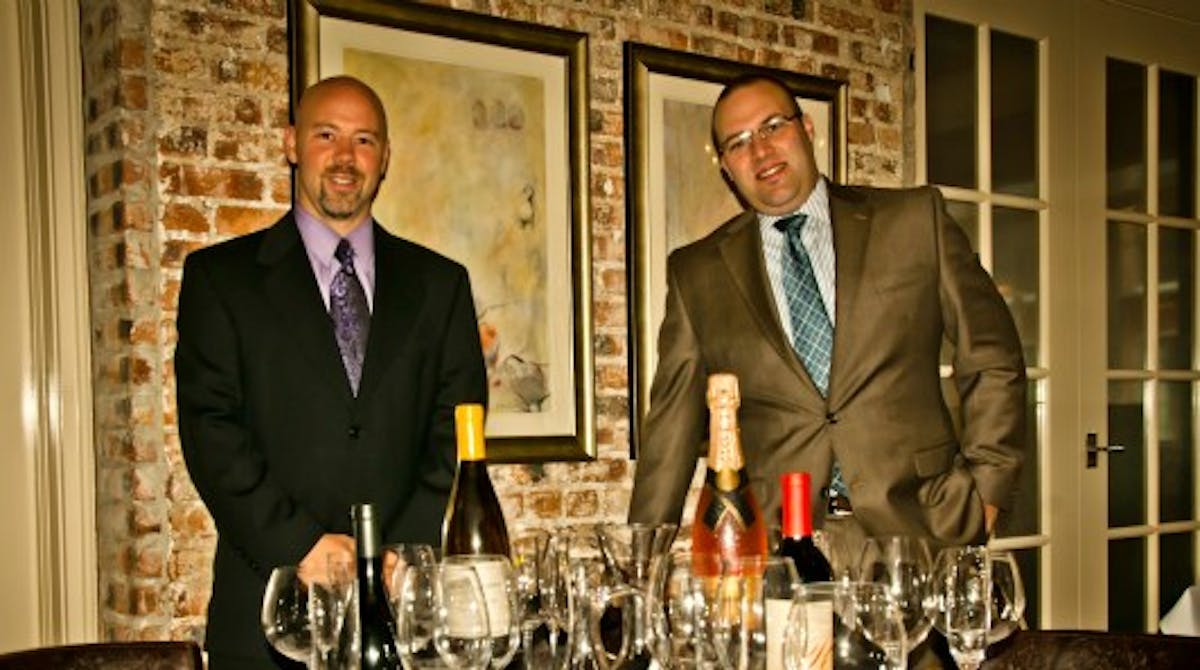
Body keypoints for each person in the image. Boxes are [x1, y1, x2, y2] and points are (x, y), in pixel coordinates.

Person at [629, 74, 1025, 552]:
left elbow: (992, 354)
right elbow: (671, 426)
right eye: (738, 143)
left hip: (927, 527)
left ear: (807, 129)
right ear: (727, 170)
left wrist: (988, 489)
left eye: (773, 126)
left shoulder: (914, 221)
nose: (761, 151)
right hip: (781, 551)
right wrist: (641, 566)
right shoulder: (697, 272)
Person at [175, 75, 487, 669]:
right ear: (292, 143)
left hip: (402, 613)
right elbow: (210, 431)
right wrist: (300, 547)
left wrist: (398, 555)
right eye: (327, 135)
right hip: (269, 616)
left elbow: (456, 427)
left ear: (385, 158)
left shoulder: (442, 285)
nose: (346, 158)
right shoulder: (221, 280)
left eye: (365, 140)